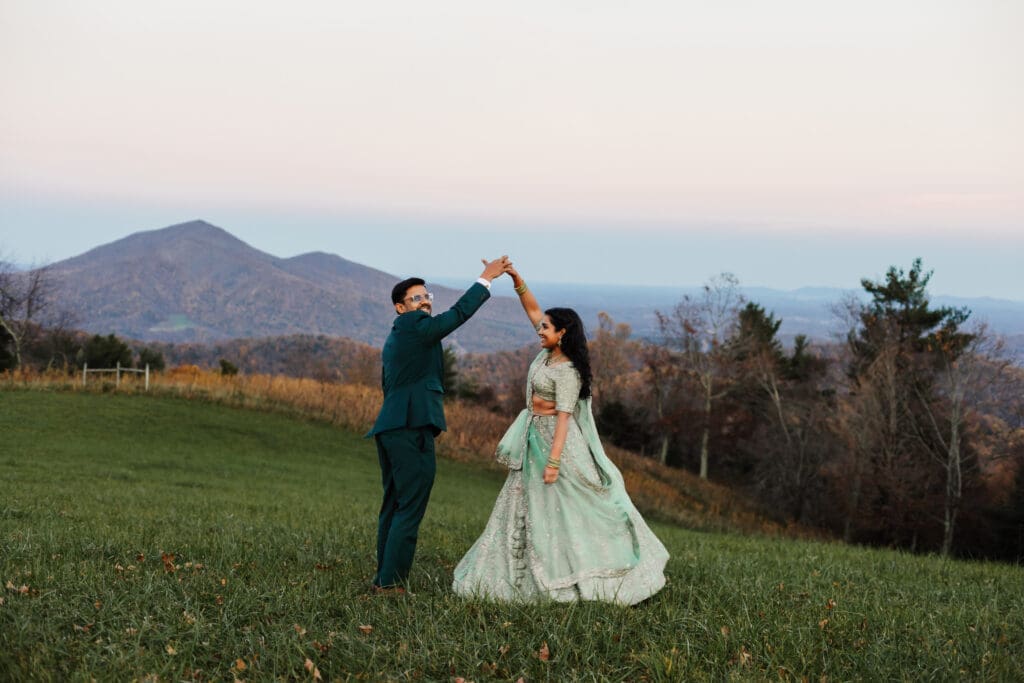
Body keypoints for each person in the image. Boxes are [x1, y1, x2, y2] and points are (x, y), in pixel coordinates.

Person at [453, 266, 669, 605]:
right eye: (541, 327)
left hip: (557, 443)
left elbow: (565, 419)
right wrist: (515, 279)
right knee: (524, 501)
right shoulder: (546, 354)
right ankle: (516, 568)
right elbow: (534, 311)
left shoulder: (568, 371)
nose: (540, 330)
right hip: (533, 438)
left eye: (546, 328)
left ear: (562, 333)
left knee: (567, 507)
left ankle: (577, 572)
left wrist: (554, 463)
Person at [368, 257, 509, 594]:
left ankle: (384, 578)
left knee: (394, 503)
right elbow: (457, 315)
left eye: (426, 295)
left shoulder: (399, 335)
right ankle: (391, 585)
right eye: (416, 298)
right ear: (401, 308)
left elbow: (389, 384)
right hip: (410, 427)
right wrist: (486, 279)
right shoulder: (415, 326)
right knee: (411, 505)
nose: (425, 301)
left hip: (391, 426)